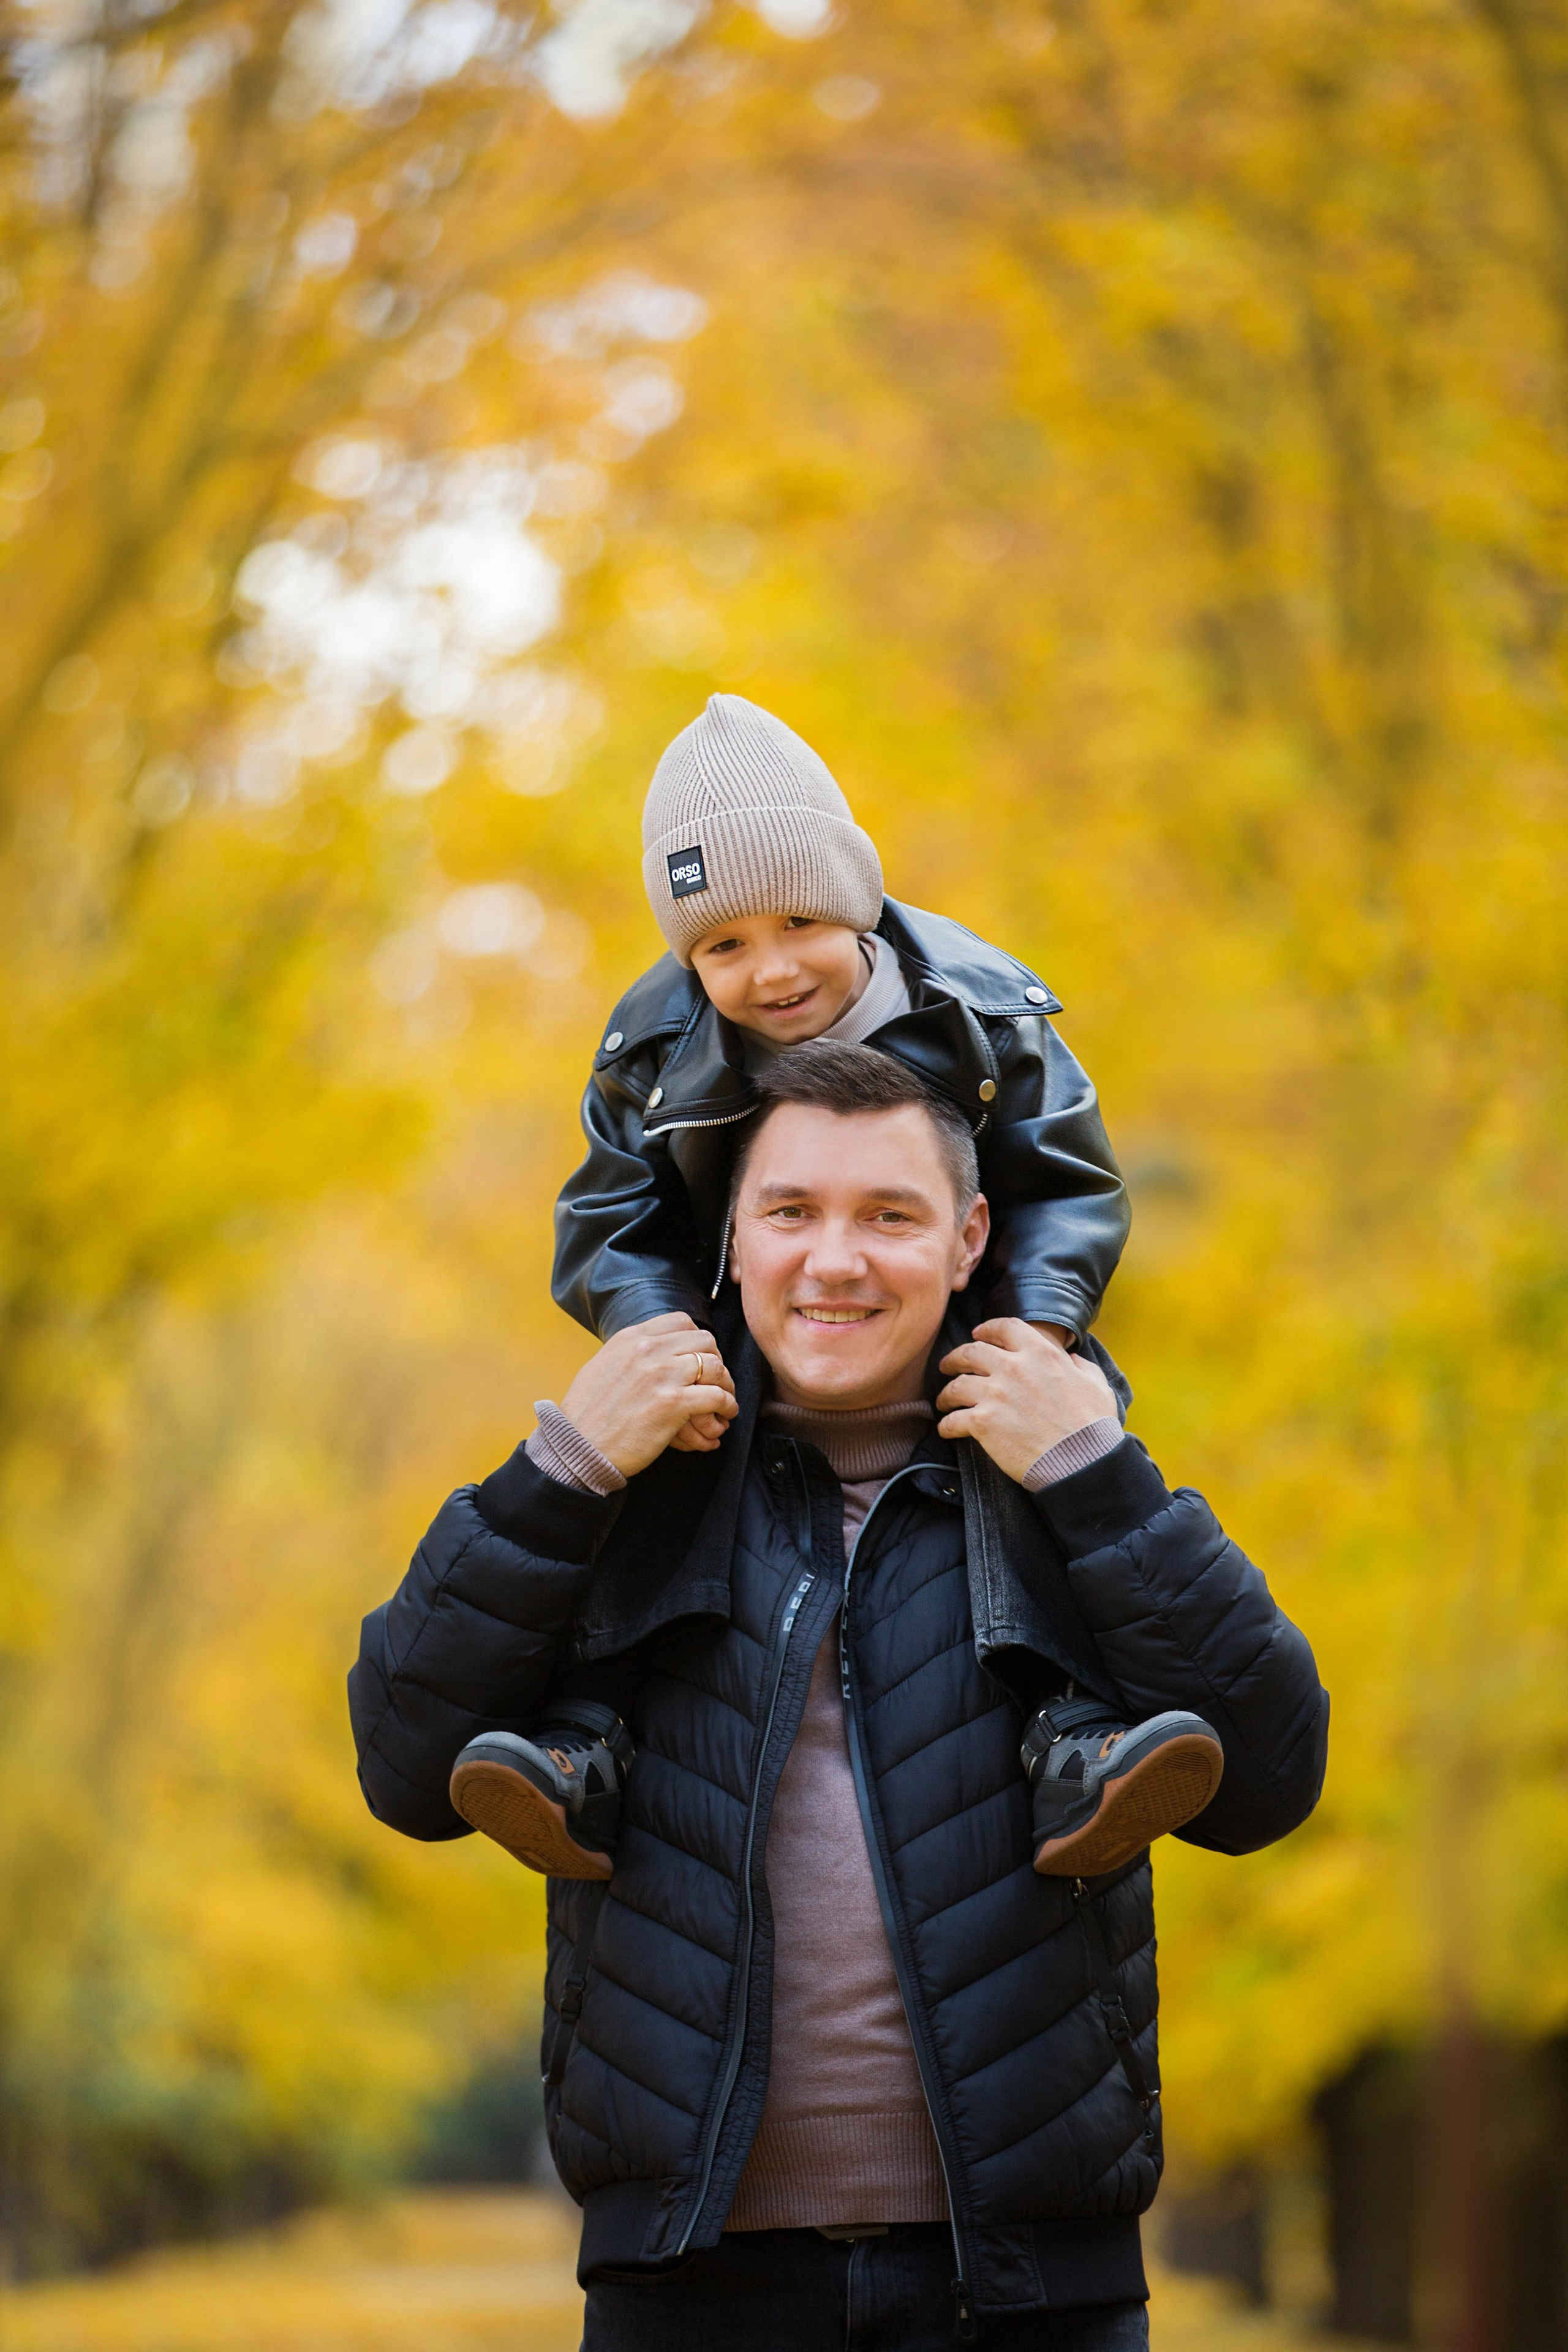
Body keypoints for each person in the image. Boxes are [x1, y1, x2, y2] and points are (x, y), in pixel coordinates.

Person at [349, 1042, 1329, 2349]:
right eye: (791, 1212)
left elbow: (1268, 1775)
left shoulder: (1061, 1470)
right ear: (731, 1239)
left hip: (1032, 2291)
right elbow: (403, 1767)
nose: (834, 1260)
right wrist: (561, 1469)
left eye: (888, 1215)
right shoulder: (625, 1478)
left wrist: (1095, 1476)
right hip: (682, 2285)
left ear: (969, 1234)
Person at [443, 693, 1223, 1885]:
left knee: (1021, 1441)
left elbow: (1066, 1181)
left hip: (958, 1304)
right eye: (720, 946)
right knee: (651, 1444)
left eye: (799, 920)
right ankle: (584, 1739)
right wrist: (656, 1330)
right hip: (741, 1321)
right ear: (684, 957)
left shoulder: (979, 1009)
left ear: (854, 898)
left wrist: (1039, 1320)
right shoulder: (649, 1049)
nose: (767, 970)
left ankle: (1073, 1731)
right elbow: (605, 1215)